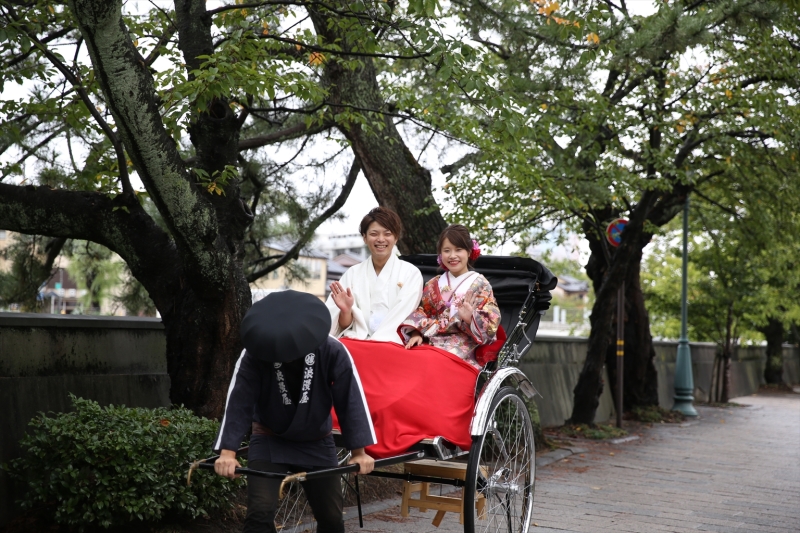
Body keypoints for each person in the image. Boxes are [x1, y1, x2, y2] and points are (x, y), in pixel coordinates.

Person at [213, 290, 376, 533]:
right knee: (259, 515)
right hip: (270, 438)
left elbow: (350, 399)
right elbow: (239, 401)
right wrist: (228, 452)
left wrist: (359, 452)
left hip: (317, 441)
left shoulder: (332, 349)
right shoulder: (256, 352)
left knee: (331, 518)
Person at [398, 224, 501, 369]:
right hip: (430, 339)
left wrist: (470, 318)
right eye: (447, 250)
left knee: (434, 364)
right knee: (406, 360)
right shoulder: (434, 283)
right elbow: (422, 311)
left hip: (463, 345)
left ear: (469, 251)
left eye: (458, 250)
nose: (452, 256)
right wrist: (416, 333)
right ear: (440, 254)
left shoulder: (480, 284)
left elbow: (490, 322)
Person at [326, 207, 423, 343]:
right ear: (365, 238)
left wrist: (377, 341)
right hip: (357, 342)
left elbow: (403, 318)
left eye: (387, 234)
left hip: (395, 344)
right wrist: (346, 311)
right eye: (374, 234)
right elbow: (341, 326)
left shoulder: (411, 274)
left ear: (396, 238)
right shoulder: (352, 274)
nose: (381, 239)